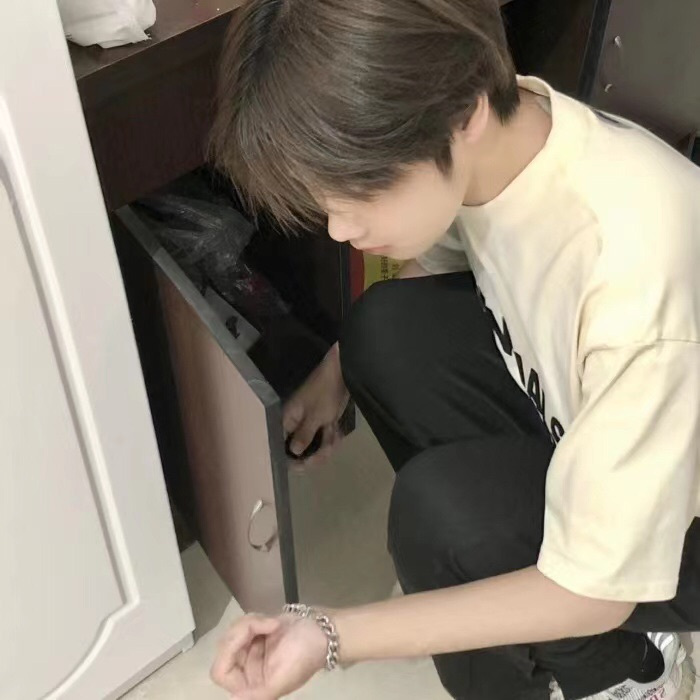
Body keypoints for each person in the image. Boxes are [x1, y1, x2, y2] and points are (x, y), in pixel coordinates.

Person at [208, 0, 700, 698]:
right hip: (624, 434)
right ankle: (587, 646)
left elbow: (592, 594)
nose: (339, 228)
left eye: (359, 190)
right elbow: (443, 258)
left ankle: (629, 674)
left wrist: (331, 634)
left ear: (464, 112)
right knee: (379, 332)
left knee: (443, 522)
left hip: (681, 519)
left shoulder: (633, 272)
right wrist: (333, 371)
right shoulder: (508, 135)